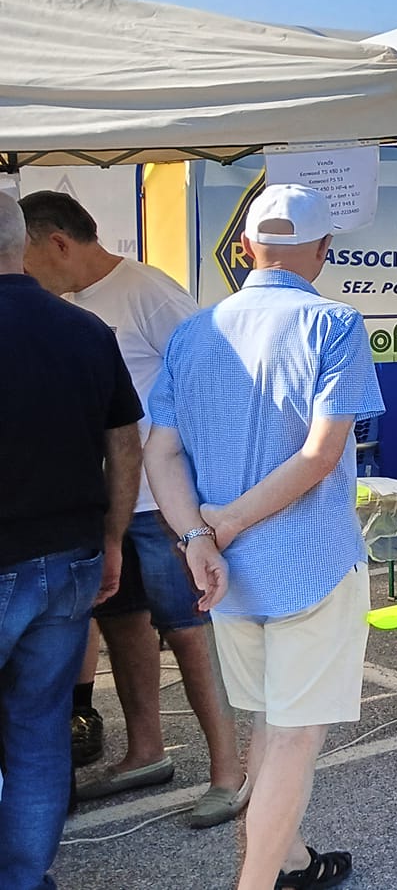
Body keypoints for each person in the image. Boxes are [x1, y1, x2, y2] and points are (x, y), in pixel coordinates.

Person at [145, 184, 383, 890]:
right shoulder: (335, 323)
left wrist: (199, 535)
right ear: (323, 251)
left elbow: (161, 452)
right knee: (294, 736)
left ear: (245, 247)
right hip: (312, 561)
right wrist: (230, 520)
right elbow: (319, 456)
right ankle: (258, 882)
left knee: (270, 722)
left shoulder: (193, 331)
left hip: (225, 572)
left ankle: (291, 859)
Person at [19, 191, 246, 828]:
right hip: (108, 503)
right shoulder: (67, 304)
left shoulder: (147, 290)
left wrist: (201, 495)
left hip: (163, 503)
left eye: (28, 256)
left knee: (187, 633)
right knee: (122, 626)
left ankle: (230, 769)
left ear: (57, 242)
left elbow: (214, 375)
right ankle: (146, 750)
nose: (24, 271)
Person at [0, 191, 143, 890]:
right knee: (37, 732)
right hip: (70, 559)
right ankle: (25, 880)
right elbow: (125, 447)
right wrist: (114, 537)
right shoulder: (86, 331)